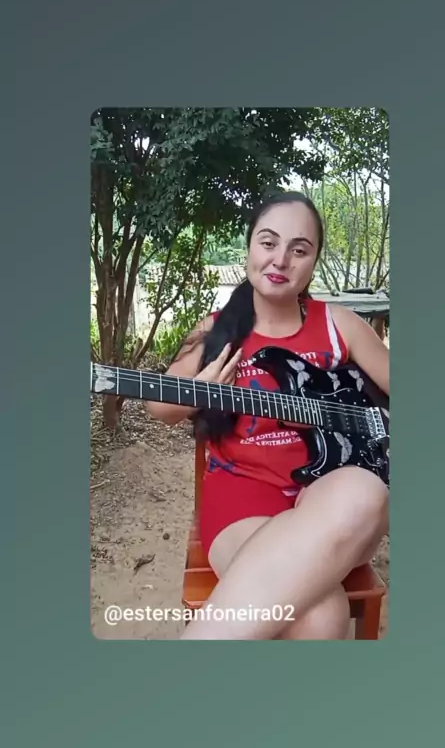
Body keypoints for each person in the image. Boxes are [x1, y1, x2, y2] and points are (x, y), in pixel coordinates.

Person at [146, 190, 389, 640]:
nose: (281, 259)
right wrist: (199, 392)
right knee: (321, 616)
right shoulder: (217, 329)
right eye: (269, 242)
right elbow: (158, 407)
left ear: (314, 261)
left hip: (331, 499)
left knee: (365, 491)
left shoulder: (339, 324)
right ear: (249, 249)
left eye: (299, 249)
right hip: (242, 498)